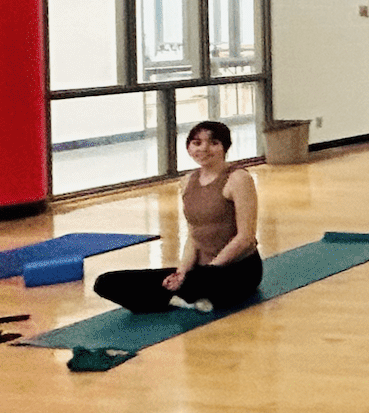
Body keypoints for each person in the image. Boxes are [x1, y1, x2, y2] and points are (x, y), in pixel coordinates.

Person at [94, 121, 262, 313]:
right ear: (189, 147)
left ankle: (177, 297)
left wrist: (207, 272)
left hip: (237, 269)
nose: (204, 149)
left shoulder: (238, 178)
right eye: (197, 143)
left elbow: (245, 238)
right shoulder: (187, 181)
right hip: (199, 270)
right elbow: (193, 236)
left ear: (225, 147)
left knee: (197, 283)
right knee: (106, 283)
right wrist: (182, 272)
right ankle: (183, 299)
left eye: (213, 143)